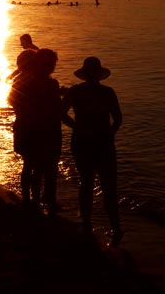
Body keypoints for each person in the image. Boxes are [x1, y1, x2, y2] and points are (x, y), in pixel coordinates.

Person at [61, 56, 123, 246]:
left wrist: (77, 127)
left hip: (83, 141)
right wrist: (110, 133)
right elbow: (118, 119)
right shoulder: (107, 92)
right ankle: (115, 228)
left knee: (86, 183)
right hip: (102, 142)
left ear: (85, 74)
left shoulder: (75, 91)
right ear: (98, 74)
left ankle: (87, 223)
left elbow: (61, 113)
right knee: (108, 187)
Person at [8, 48, 62, 216]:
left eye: (51, 64)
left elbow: (13, 100)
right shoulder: (39, 82)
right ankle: (33, 200)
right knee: (35, 165)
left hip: (41, 128)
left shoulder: (46, 83)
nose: (50, 67)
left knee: (38, 165)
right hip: (35, 129)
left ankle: (37, 200)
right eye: (47, 64)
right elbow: (55, 107)